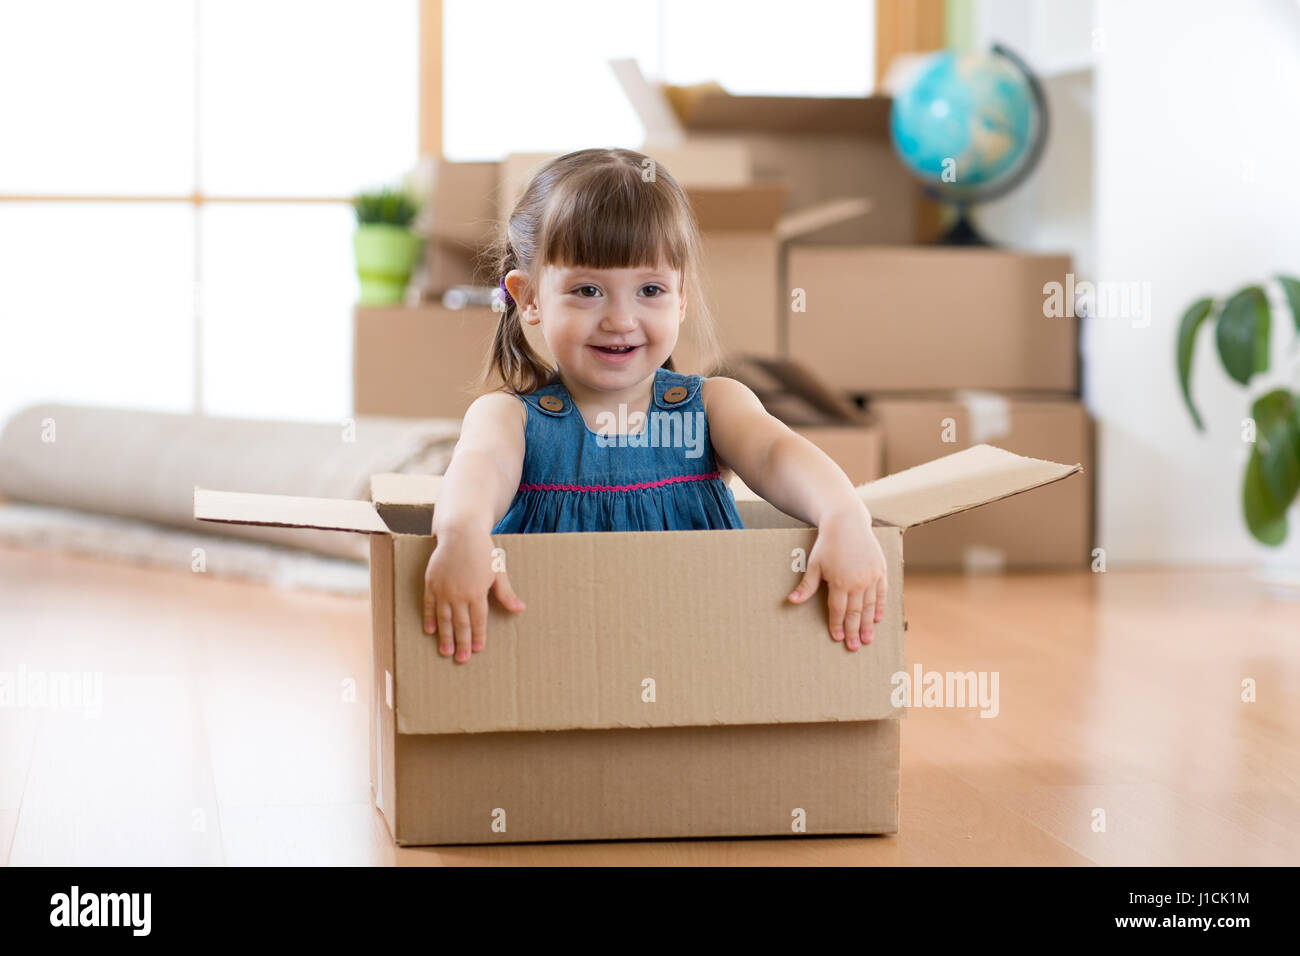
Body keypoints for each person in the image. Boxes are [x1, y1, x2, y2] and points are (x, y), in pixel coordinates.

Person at [422, 147, 887, 663]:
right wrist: (462, 531)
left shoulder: (713, 407)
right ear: (527, 296)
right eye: (587, 290)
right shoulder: (508, 417)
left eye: (649, 289)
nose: (620, 319)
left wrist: (844, 514)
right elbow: (480, 466)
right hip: (554, 657)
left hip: (696, 652)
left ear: (681, 296)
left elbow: (777, 453)